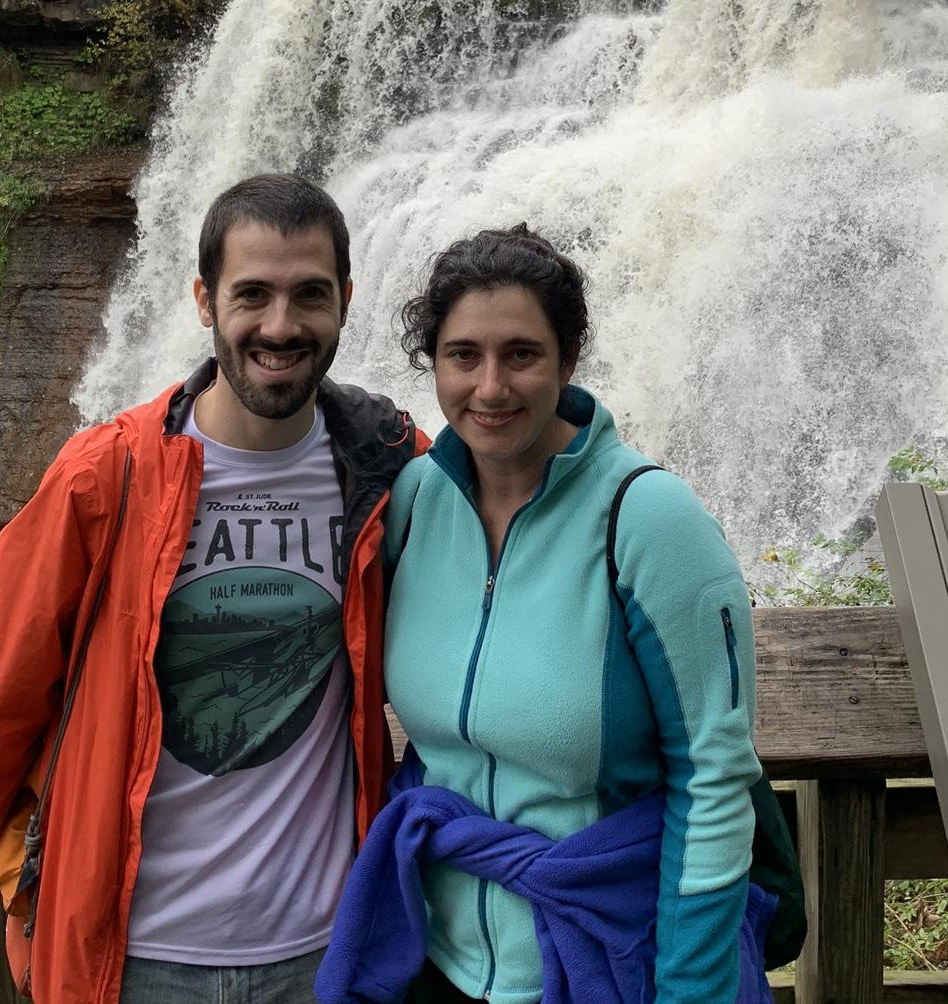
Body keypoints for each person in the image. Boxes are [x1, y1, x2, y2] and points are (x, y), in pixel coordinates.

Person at [0, 174, 427, 1004]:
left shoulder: (389, 465)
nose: (281, 326)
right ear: (205, 301)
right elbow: (6, 690)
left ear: (345, 298)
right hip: (131, 952)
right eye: (253, 295)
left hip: (326, 945)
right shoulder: (107, 474)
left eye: (310, 295)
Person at [322, 226, 768, 1004]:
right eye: (463, 355)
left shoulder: (647, 518)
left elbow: (716, 776)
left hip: (609, 954)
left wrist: (692, 993)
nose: (490, 388)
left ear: (568, 359)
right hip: (434, 957)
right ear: (435, 363)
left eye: (521, 354)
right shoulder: (414, 503)